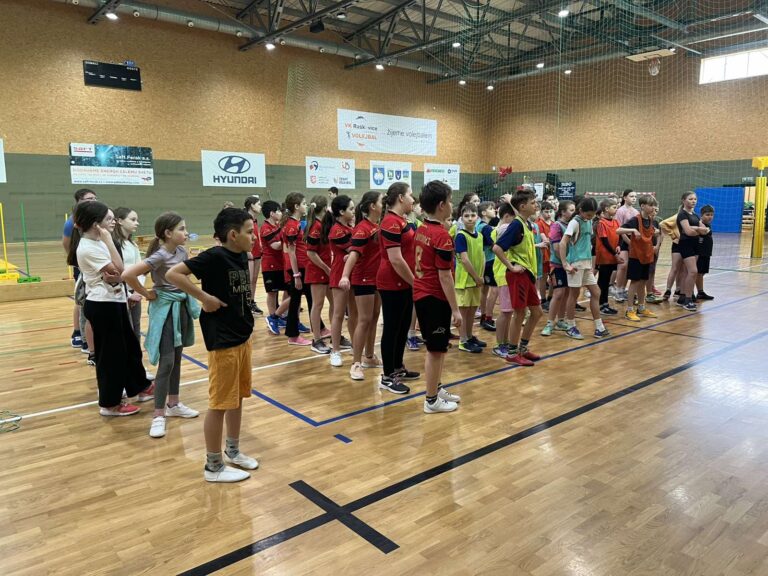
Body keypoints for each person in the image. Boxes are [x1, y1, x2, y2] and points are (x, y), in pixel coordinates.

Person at [166, 208, 259, 483]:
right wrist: (204, 297)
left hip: (242, 337)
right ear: (233, 234)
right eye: (250, 232)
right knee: (219, 404)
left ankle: (233, 450)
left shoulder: (241, 255)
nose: (254, 237)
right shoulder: (215, 256)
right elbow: (174, 274)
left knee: (236, 398)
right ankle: (213, 466)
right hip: (223, 342)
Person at [67, 201, 154, 417]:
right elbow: (122, 270)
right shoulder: (88, 247)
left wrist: (118, 275)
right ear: (95, 224)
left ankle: (139, 386)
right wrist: (108, 241)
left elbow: (118, 274)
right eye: (108, 219)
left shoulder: (97, 242)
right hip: (102, 305)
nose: (113, 222)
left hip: (114, 301)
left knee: (130, 347)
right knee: (111, 356)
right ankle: (109, 403)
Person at [123, 212, 201, 438]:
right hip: (165, 310)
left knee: (176, 359)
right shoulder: (159, 255)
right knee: (166, 362)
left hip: (181, 306)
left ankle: (173, 404)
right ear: (168, 233)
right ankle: (158, 415)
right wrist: (146, 293)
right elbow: (128, 274)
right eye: (181, 229)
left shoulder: (182, 251)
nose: (186, 232)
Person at [413, 181, 462, 413]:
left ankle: (436, 387)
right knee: (435, 350)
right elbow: (445, 276)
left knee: (439, 347)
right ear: (442, 205)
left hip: (423, 293)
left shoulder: (422, 228)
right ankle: (431, 400)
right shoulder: (441, 236)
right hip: (434, 297)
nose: (452, 205)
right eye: (450, 201)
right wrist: (455, 309)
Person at [492, 189, 545, 365]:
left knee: (537, 312)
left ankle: (522, 348)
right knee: (520, 313)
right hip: (518, 276)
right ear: (522, 206)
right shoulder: (516, 225)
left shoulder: (526, 223)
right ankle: (512, 352)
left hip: (528, 274)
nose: (536, 205)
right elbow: (497, 248)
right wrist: (511, 267)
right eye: (533, 203)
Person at [376, 183, 419, 394]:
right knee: (392, 329)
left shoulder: (401, 220)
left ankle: (397, 367)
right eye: (410, 195)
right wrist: (415, 282)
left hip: (405, 282)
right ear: (401, 198)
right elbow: (395, 259)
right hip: (392, 282)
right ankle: (387, 376)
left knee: (402, 327)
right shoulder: (390, 222)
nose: (413, 199)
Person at [339, 191, 383, 381]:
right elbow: (354, 254)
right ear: (372, 206)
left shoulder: (377, 226)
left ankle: (369, 357)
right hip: (363, 278)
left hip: (377, 278)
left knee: (374, 317)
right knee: (364, 319)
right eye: (382, 202)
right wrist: (345, 276)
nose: (384, 204)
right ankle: (356, 363)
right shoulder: (362, 228)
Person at [112, 207, 155, 380]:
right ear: (119, 221)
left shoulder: (133, 244)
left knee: (136, 331)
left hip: (135, 293)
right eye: (132, 219)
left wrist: (138, 291)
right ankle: (123, 373)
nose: (137, 223)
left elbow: (140, 270)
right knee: (123, 335)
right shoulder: (113, 245)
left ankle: (137, 368)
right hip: (120, 295)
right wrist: (127, 294)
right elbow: (116, 273)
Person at [560, 197, 610, 339]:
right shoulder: (574, 222)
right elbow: (563, 243)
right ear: (581, 210)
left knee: (596, 292)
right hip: (576, 264)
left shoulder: (588, 221)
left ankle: (599, 327)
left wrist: (591, 265)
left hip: (586, 264)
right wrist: (565, 264)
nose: (590, 217)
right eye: (588, 215)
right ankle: (570, 326)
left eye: (593, 215)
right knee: (574, 295)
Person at [63, 188, 97, 352]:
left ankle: (89, 336)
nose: (93, 201)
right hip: (82, 265)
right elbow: (66, 244)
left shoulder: (95, 217)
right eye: (89, 199)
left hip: (92, 264)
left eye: (95, 198)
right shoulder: (72, 222)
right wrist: (77, 262)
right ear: (78, 202)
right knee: (81, 299)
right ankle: (78, 332)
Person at [618, 195, 660, 322]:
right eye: (651, 205)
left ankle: (641, 308)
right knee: (635, 282)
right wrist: (633, 230)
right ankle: (629, 310)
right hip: (636, 256)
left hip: (647, 256)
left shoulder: (651, 220)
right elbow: (618, 230)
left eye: (654, 205)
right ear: (642, 206)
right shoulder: (635, 220)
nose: (653, 208)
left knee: (643, 282)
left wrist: (656, 232)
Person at [327, 195, 356, 367]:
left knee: (354, 313)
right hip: (340, 273)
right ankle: (335, 351)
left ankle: (355, 346)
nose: (353, 211)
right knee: (338, 313)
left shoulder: (350, 228)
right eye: (351, 209)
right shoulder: (337, 230)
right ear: (341, 211)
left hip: (354, 273)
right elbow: (355, 249)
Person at [281, 192, 314, 345]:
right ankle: (293, 335)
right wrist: (296, 275)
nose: (306, 206)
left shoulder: (296, 223)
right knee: (296, 301)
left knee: (309, 298)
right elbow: (291, 252)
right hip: (298, 268)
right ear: (296, 206)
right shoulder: (292, 226)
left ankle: (319, 328)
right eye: (304, 203)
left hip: (302, 266)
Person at [454, 203, 486, 353]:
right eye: (466, 216)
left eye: (473, 215)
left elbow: (482, 256)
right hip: (465, 280)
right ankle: (463, 341)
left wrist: (481, 276)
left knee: (473, 310)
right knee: (463, 311)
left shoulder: (480, 235)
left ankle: (469, 336)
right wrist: (476, 277)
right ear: (461, 218)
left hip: (476, 279)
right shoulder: (461, 236)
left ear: (477, 217)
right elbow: (465, 260)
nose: (470, 218)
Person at [541, 200, 575, 337]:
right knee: (558, 293)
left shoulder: (573, 224)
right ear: (562, 212)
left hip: (571, 264)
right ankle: (550, 323)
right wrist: (565, 262)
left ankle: (561, 320)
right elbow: (556, 248)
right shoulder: (556, 226)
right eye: (571, 210)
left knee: (566, 293)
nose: (574, 212)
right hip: (558, 264)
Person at [304, 195, 333, 354]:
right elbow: (311, 253)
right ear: (324, 208)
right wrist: (326, 268)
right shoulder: (316, 227)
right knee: (318, 304)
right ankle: (316, 340)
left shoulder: (322, 224)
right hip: (317, 271)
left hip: (326, 270)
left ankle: (335, 335)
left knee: (334, 303)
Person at [260, 201, 291, 335]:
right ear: (272, 213)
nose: (280, 213)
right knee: (272, 293)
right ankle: (273, 317)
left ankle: (281, 315)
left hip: (281, 264)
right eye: (278, 211)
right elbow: (276, 246)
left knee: (287, 290)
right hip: (270, 265)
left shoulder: (278, 225)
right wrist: (285, 234)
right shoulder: (265, 228)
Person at [490, 203, 517, 357]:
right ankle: (500, 344)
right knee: (505, 312)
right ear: (507, 216)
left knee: (508, 312)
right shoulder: (504, 228)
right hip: (504, 274)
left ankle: (505, 342)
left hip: (507, 274)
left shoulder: (500, 228)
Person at [676, 192, 710, 311]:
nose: (693, 201)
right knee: (693, 271)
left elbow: (706, 230)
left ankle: (682, 297)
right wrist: (698, 230)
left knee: (687, 272)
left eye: (695, 199)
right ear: (683, 200)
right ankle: (688, 299)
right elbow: (688, 232)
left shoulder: (695, 215)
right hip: (686, 245)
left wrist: (696, 228)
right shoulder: (682, 214)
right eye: (690, 199)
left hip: (695, 245)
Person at [595, 198, 621, 316]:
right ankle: (601, 305)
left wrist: (619, 246)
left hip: (612, 256)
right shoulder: (601, 223)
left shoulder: (616, 222)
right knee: (603, 281)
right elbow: (605, 241)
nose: (616, 209)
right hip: (604, 256)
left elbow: (619, 236)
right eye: (614, 207)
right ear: (606, 209)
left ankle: (605, 304)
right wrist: (614, 253)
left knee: (607, 281)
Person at [613, 189, 638, 303]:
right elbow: (619, 229)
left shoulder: (636, 212)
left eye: (635, 196)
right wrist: (629, 242)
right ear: (625, 198)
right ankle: (618, 290)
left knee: (629, 266)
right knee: (623, 265)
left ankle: (623, 289)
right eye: (631, 196)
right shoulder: (620, 211)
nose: (634, 198)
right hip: (622, 240)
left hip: (632, 240)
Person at [477, 201, 498, 331]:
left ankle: (483, 316)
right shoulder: (486, 228)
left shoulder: (479, 225)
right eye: (491, 208)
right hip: (489, 260)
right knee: (494, 290)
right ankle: (488, 318)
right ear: (484, 212)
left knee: (484, 290)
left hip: (482, 261)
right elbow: (495, 244)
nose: (494, 210)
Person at [244, 195, 264, 316]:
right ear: (252, 205)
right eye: (258, 204)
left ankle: (251, 302)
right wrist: (247, 251)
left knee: (254, 279)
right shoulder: (245, 219)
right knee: (248, 280)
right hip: (249, 253)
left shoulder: (255, 220)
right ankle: (246, 303)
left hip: (257, 252)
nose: (260, 206)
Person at [535, 203, 554, 310]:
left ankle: (550, 297)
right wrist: (554, 240)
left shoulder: (554, 223)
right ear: (541, 212)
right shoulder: (539, 223)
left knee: (553, 278)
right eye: (546, 211)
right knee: (543, 278)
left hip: (553, 255)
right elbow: (545, 240)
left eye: (550, 211)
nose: (549, 214)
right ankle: (543, 299)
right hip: (544, 255)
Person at [695, 205, 715, 301]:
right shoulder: (700, 224)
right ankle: (692, 292)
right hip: (700, 253)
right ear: (701, 215)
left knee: (702, 273)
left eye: (711, 215)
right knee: (698, 273)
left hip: (706, 253)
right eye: (707, 215)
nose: (710, 217)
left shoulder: (708, 225)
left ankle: (700, 292)